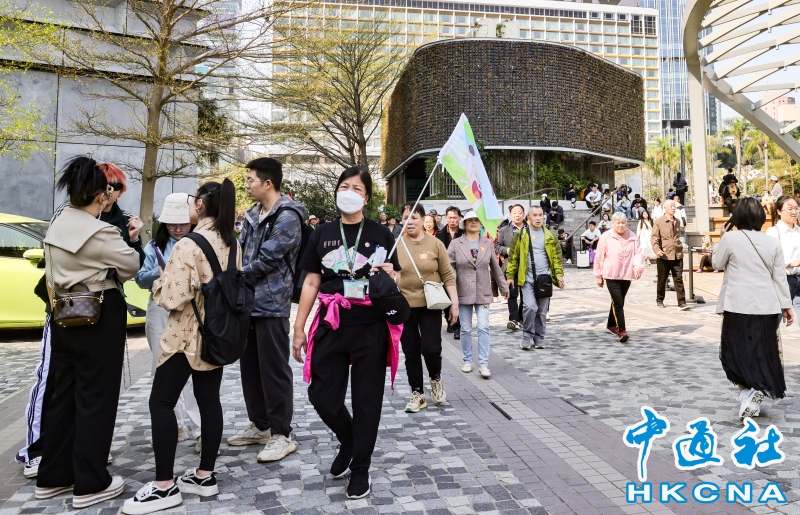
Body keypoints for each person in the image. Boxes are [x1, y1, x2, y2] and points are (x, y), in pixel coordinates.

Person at [17, 161, 145, 477]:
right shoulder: (101, 231)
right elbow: (131, 264)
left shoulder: (57, 224)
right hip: (98, 316)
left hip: (62, 313)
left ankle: (54, 475)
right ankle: (91, 480)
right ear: (100, 195)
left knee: (62, 393)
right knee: (97, 396)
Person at [122, 179, 240, 514]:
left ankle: (163, 486)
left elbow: (172, 298)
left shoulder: (189, 244)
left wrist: (161, 281)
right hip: (216, 334)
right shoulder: (232, 241)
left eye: (192, 201)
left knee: (160, 402)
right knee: (209, 400)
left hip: (185, 336)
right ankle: (205, 475)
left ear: (200, 205)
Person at [292, 167, 401, 500]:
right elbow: (311, 282)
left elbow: (395, 278)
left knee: (367, 401)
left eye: (357, 188)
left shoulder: (382, 234)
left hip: (370, 324)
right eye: (344, 186)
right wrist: (298, 327)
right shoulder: (322, 232)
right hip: (332, 321)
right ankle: (350, 439)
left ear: (366, 197)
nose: (349, 192)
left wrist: (389, 274)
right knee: (322, 395)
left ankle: (361, 469)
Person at [227, 158, 306, 463]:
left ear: (268, 183)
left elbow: (269, 259)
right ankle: (260, 425)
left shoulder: (287, 216)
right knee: (250, 368)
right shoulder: (252, 214)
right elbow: (241, 251)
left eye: (250, 180)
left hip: (272, 303)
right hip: (247, 301)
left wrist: (235, 276)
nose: (246, 185)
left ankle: (281, 433)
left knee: (273, 369)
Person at [712, 197, 793, 421]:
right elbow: (780, 277)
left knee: (733, 353)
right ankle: (751, 399)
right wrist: (787, 306)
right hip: (767, 307)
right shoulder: (772, 242)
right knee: (760, 352)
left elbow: (716, 263)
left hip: (737, 306)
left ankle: (748, 393)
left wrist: (721, 238)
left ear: (738, 216)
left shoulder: (730, 238)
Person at [135, 194, 200, 450]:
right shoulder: (155, 246)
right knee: (160, 366)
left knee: (195, 366)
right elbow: (140, 278)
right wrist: (160, 272)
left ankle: (200, 430)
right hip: (160, 306)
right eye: (172, 223)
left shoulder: (199, 241)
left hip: (192, 307)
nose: (178, 228)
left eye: (182, 223)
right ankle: (175, 426)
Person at [396, 202, 458, 413]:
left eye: (414, 217)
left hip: (431, 305)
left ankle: (436, 379)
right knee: (411, 351)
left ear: (423, 220)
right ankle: (417, 393)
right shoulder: (396, 244)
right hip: (404, 306)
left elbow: (448, 275)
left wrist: (454, 304)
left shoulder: (436, 244)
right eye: (406, 217)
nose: (409, 221)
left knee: (431, 349)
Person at [449, 210, 509, 378]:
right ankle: (467, 360)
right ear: (465, 224)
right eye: (470, 220)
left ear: (481, 223)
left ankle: (483, 363)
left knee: (483, 327)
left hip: (483, 290)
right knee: (466, 328)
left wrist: (503, 287)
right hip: (463, 290)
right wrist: (452, 284)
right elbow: (449, 266)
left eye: (477, 220)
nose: (474, 222)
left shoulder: (487, 243)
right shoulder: (456, 243)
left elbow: (495, 266)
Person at [505, 206, 565, 350]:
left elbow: (557, 257)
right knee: (530, 307)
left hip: (545, 279)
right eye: (535, 215)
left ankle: (539, 337)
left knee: (542, 311)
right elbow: (513, 257)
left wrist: (559, 274)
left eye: (540, 215)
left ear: (544, 217)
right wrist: (510, 276)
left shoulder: (550, 235)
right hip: (527, 279)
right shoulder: (521, 235)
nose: (538, 218)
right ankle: (527, 335)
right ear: (528, 218)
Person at [594, 212, 645, 343]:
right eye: (618, 223)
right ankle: (622, 330)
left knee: (619, 300)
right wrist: (598, 275)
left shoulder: (633, 237)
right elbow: (599, 257)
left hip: (626, 274)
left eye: (623, 223)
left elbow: (638, 253)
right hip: (611, 274)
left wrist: (638, 267)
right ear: (613, 224)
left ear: (626, 223)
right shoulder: (606, 237)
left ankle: (611, 325)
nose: (620, 225)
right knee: (618, 302)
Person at [652, 199, 689, 310]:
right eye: (671, 206)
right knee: (662, 279)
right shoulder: (659, 222)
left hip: (677, 254)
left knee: (678, 279)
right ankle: (659, 300)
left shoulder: (677, 221)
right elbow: (654, 238)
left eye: (674, 206)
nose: (673, 208)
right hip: (664, 255)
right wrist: (657, 250)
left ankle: (681, 302)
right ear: (665, 208)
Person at [496, 204, 526, 331]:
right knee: (512, 293)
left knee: (526, 294)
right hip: (510, 266)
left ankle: (521, 317)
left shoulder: (529, 229)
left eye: (519, 213)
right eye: (514, 213)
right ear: (510, 215)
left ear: (523, 214)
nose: (517, 215)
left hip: (526, 267)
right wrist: (506, 250)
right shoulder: (504, 230)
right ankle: (513, 318)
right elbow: (498, 247)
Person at [766, 195, 800, 304]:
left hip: (799, 279)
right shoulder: (773, 232)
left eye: (796, 208)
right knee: (779, 312)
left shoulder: (799, 231)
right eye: (790, 209)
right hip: (783, 281)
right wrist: (794, 263)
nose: (794, 212)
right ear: (779, 211)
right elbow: (772, 258)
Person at [436, 206, 463, 335]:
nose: (452, 220)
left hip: (461, 269)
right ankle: (450, 321)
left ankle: (458, 325)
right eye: (450, 217)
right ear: (446, 218)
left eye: (455, 218)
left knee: (459, 297)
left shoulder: (464, 234)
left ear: (459, 218)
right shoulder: (439, 235)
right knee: (447, 296)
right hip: (445, 269)